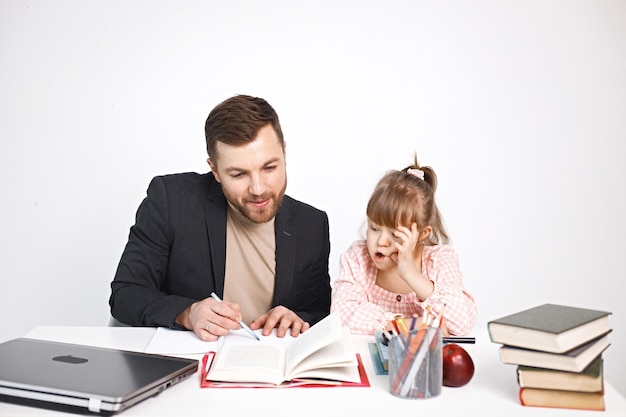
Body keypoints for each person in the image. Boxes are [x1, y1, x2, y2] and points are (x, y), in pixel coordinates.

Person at [109, 94, 331, 341]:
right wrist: (187, 313)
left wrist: (298, 317)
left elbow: (320, 312)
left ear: (284, 152)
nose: (258, 189)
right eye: (238, 174)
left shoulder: (313, 225)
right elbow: (126, 293)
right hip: (193, 368)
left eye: (270, 168)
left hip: (272, 369)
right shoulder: (171, 200)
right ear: (214, 170)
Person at [330, 155, 477, 336]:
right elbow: (341, 315)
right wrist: (410, 325)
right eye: (374, 228)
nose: (381, 242)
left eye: (395, 234)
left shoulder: (438, 260)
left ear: (422, 234)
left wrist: (410, 274)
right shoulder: (358, 258)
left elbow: (461, 323)